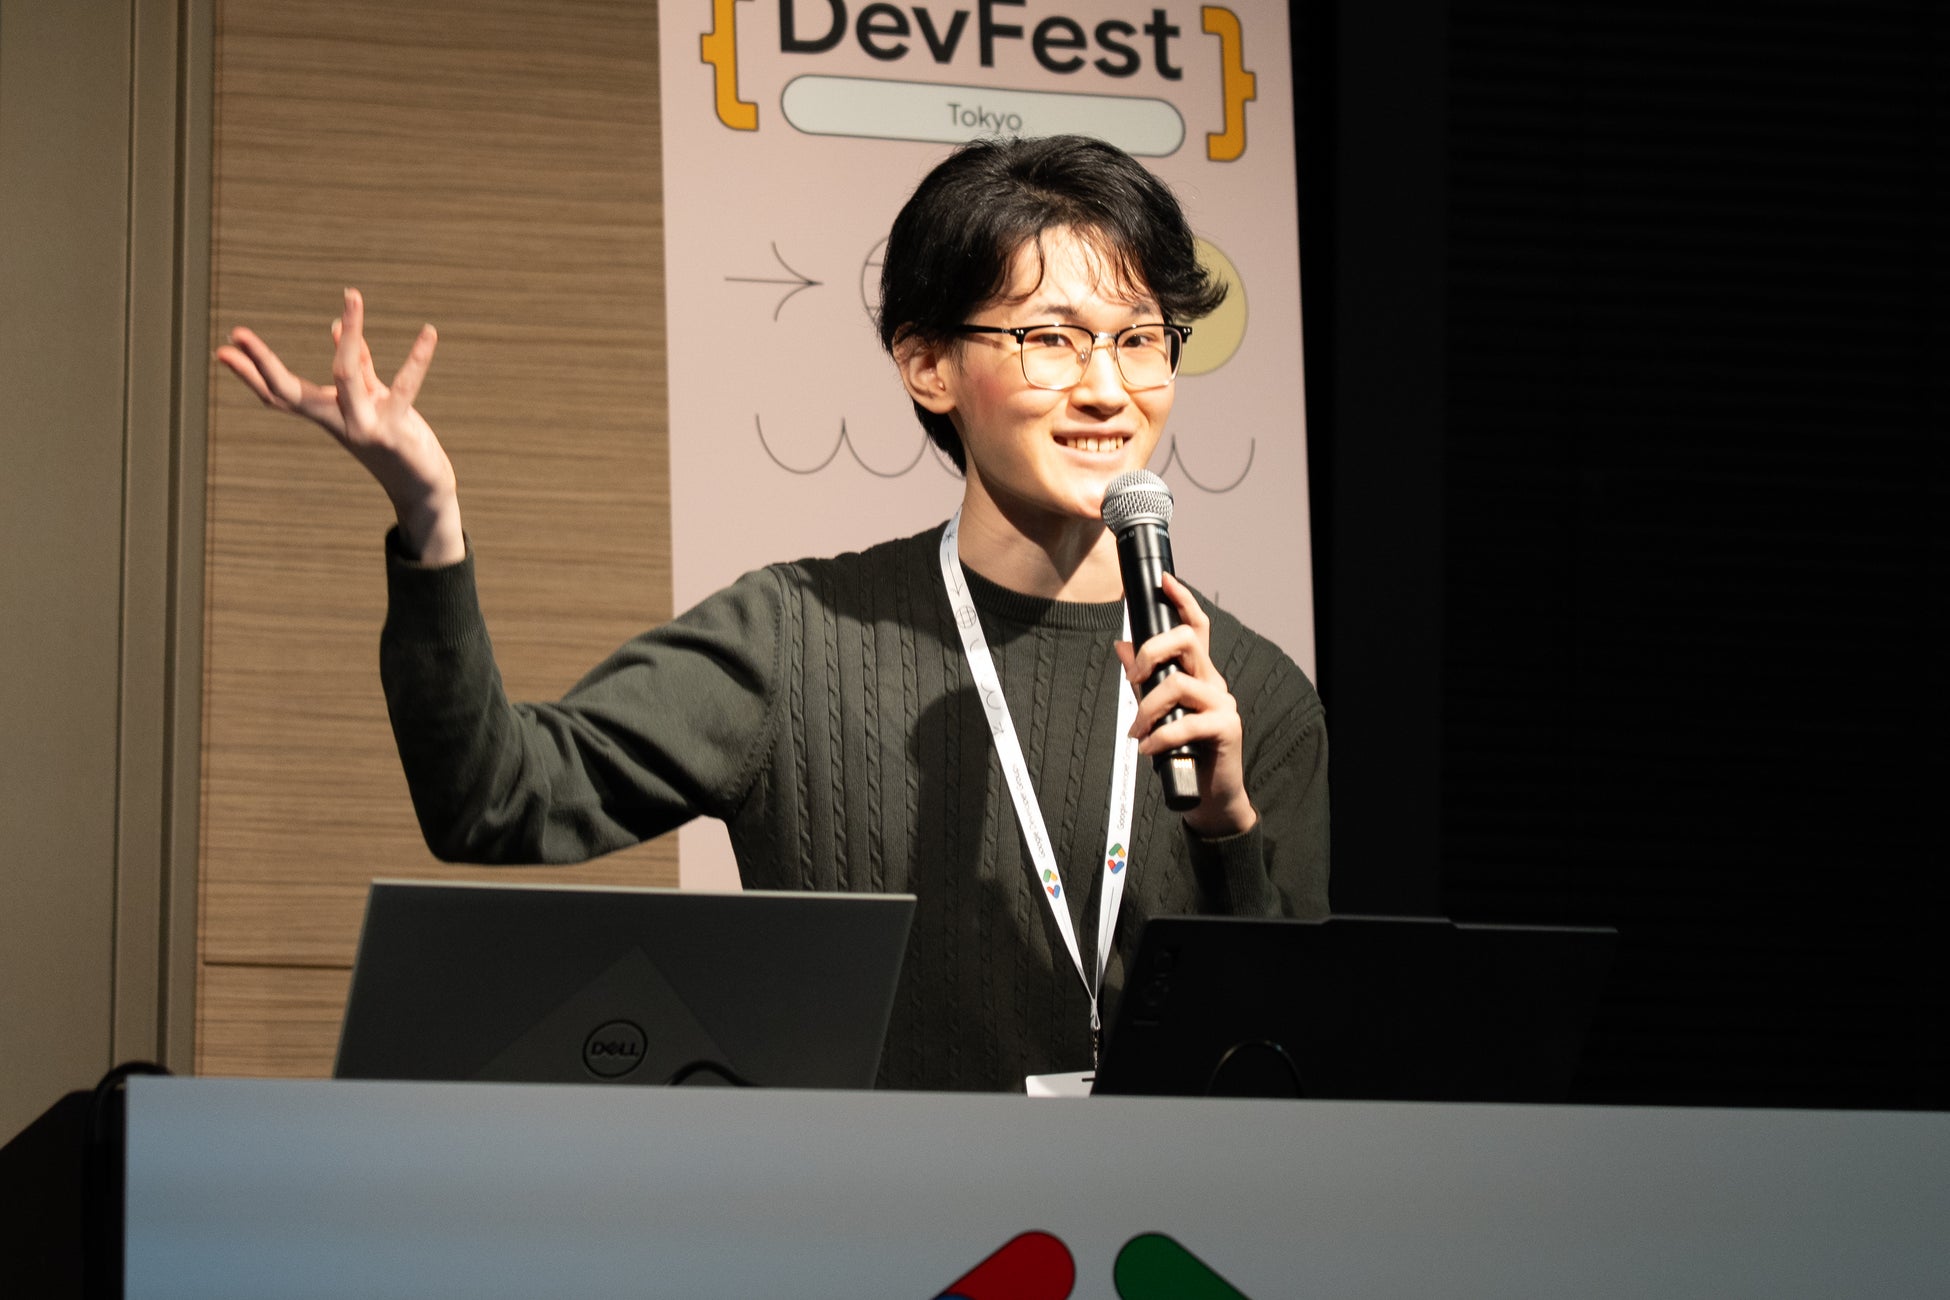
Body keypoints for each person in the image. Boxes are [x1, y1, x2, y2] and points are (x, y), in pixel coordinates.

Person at [217, 134, 1328, 1093]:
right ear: (928, 364)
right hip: (863, 1231)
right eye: (1051, 339)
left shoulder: (1255, 696)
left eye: (1139, 338)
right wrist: (430, 519)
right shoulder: (796, 634)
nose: (1107, 387)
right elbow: (494, 799)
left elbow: (1303, 1070)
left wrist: (1226, 828)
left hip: (1154, 1233)